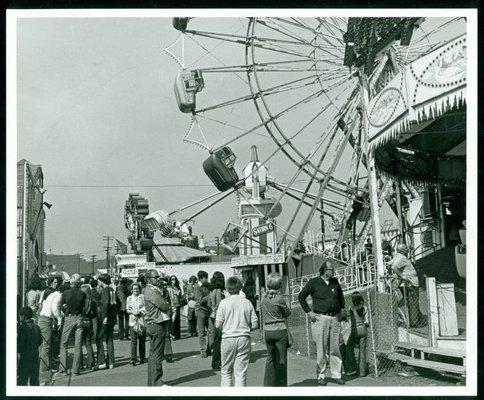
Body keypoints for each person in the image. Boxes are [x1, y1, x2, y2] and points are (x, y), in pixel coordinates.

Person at [298, 261, 345, 386]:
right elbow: (301, 296)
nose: (333, 272)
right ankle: (321, 375)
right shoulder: (314, 282)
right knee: (321, 348)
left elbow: (341, 298)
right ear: (324, 270)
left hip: (334, 318)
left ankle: (336, 375)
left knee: (335, 348)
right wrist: (308, 312)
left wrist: (341, 311)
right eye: (331, 269)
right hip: (320, 319)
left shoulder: (335, 282)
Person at [215, 276, 258, 387]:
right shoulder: (247, 302)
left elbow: (218, 324)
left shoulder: (223, 303)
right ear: (240, 287)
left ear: (227, 288)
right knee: (240, 373)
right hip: (244, 337)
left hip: (228, 338)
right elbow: (255, 324)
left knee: (226, 371)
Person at [261, 272, 291, 386]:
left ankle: (268, 385)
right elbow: (287, 313)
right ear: (278, 285)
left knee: (270, 359)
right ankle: (281, 385)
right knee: (282, 360)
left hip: (267, 331)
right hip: (279, 330)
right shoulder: (280, 299)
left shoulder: (263, 298)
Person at [143, 270, 171, 386]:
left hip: (153, 324)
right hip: (157, 324)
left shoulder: (150, 290)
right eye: (155, 277)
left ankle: (152, 382)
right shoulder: (151, 291)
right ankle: (157, 381)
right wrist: (167, 304)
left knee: (153, 354)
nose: (158, 279)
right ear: (148, 279)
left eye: (158, 277)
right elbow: (164, 305)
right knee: (158, 355)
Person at [56, 273, 86, 376]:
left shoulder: (66, 293)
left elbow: (59, 305)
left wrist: (64, 310)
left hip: (69, 317)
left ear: (71, 282)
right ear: (79, 283)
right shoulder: (83, 294)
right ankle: (75, 370)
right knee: (78, 344)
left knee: (64, 343)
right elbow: (85, 307)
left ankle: (63, 369)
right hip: (79, 318)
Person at [386, 243, 423, 327]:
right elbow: (394, 267)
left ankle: (418, 318)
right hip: (410, 283)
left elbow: (389, 263)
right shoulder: (402, 258)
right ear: (402, 250)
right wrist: (402, 276)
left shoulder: (397, 256)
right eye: (406, 248)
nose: (407, 249)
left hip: (408, 283)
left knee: (411, 300)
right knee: (413, 301)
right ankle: (414, 322)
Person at [37, 276, 63, 385]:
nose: (56, 284)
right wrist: (59, 319)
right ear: (51, 282)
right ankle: (44, 370)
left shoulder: (45, 292)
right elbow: (54, 309)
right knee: (46, 345)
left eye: (57, 282)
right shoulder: (57, 294)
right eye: (54, 282)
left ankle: (44, 366)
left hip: (43, 318)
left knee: (43, 345)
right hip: (47, 319)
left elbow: (41, 304)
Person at [342, 291, 369, 377]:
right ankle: (362, 372)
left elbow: (351, 321)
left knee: (349, 348)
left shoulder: (351, 308)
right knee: (362, 351)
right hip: (363, 330)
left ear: (353, 300)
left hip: (355, 331)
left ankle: (352, 368)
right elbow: (367, 321)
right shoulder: (365, 308)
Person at [17, 306, 42, 385]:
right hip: (35, 356)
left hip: (25, 357)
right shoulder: (37, 327)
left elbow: (20, 344)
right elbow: (40, 341)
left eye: (19, 315)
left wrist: (18, 351)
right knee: (34, 380)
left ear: (23, 316)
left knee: (22, 379)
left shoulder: (22, 328)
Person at [97, 273, 117, 369]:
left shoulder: (105, 290)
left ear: (102, 281)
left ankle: (102, 361)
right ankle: (111, 361)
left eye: (99, 280)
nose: (98, 282)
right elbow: (113, 304)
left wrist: (104, 317)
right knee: (110, 339)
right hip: (112, 317)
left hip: (106, 317)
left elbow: (105, 304)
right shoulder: (112, 289)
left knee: (100, 337)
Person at [126, 282, 147, 366]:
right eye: (134, 289)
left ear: (139, 289)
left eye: (137, 288)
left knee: (142, 340)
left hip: (141, 321)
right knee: (133, 341)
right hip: (133, 321)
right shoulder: (129, 298)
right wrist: (132, 312)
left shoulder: (142, 297)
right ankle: (133, 359)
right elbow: (127, 309)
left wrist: (141, 312)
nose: (135, 290)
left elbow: (145, 307)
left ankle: (142, 357)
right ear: (132, 290)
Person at [78, 284, 97, 371]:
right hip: (89, 322)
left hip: (81, 322)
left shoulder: (80, 301)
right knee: (88, 344)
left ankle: (80, 364)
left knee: (79, 344)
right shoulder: (92, 302)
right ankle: (91, 363)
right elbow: (94, 314)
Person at [209, 271, 225, 371]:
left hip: (213, 315)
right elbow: (220, 305)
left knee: (216, 339)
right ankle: (217, 362)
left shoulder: (212, 290)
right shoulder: (219, 291)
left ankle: (216, 361)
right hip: (218, 315)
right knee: (219, 340)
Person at [194, 270, 212, 358]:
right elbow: (199, 301)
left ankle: (209, 348)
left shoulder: (208, 285)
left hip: (208, 310)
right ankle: (203, 350)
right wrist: (210, 296)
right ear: (200, 278)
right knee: (202, 332)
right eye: (205, 278)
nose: (206, 279)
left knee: (211, 331)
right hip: (200, 310)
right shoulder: (197, 287)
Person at [159, 276, 174, 363]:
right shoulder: (157, 293)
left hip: (166, 316)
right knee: (160, 336)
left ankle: (168, 354)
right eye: (162, 284)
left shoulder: (166, 293)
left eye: (164, 284)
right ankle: (162, 354)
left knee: (167, 335)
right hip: (159, 316)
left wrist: (170, 313)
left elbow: (169, 305)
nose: (164, 286)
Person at [167, 275, 183, 341]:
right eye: (172, 279)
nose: (173, 280)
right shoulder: (169, 288)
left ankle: (178, 334)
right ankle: (173, 334)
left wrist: (179, 294)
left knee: (177, 320)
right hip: (171, 305)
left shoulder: (177, 287)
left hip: (177, 304)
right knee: (172, 320)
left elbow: (180, 295)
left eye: (174, 279)